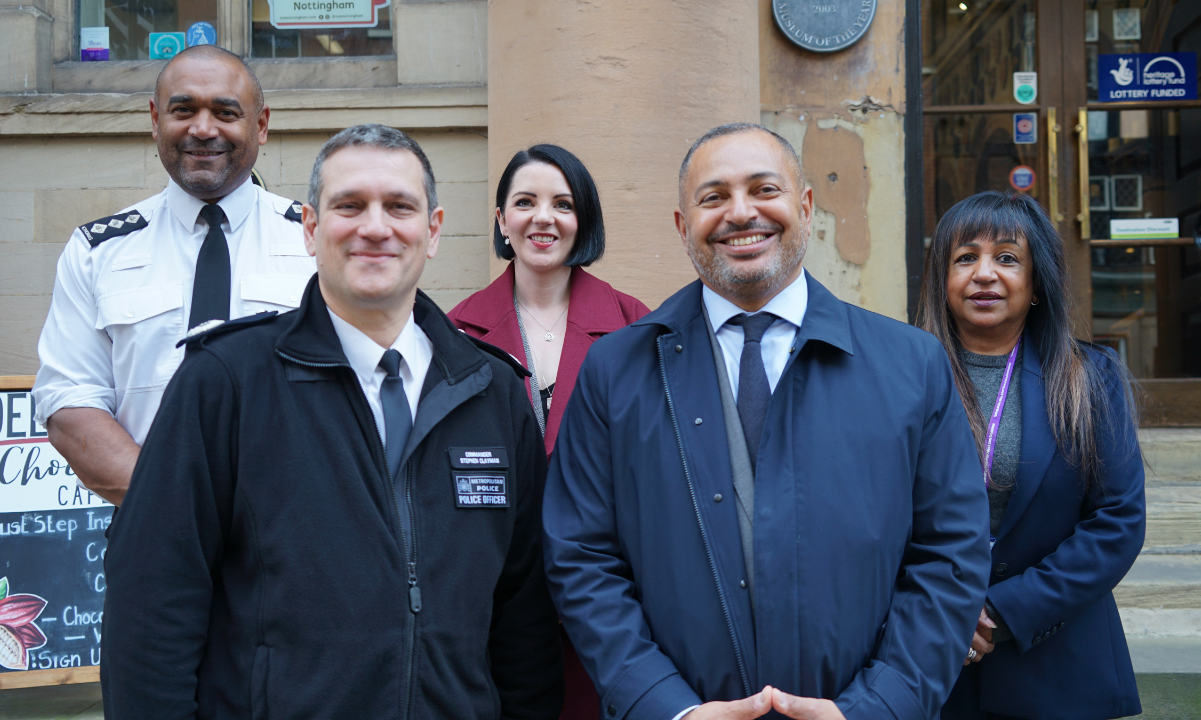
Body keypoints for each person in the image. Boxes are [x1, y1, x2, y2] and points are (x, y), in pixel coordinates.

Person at [100, 124, 563, 719]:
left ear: (434, 230)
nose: (376, 227)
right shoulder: (224, 382)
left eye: (400, 206)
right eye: (350, 206)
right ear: (312, 230)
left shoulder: (492, 392)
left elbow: (523, 617)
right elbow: (153, 602)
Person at [543, 122, 991, 720]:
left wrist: (880, 707)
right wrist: (663, 707)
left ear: (805, 207)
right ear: (683, 226)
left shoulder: (911, 365)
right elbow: (581, 556)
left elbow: (950, 556)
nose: (740, 213)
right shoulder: (616, 370)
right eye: (713, 197)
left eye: (764, 189)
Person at [31, 45, 315, 506]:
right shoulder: (96, 252)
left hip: (297, 536)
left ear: (260, 126)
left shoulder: (318, 245)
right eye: (183, 110)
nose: (203, 129)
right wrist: (170, 508)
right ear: (155, 119)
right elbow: (70, 402)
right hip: (151, 534)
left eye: (225, 112)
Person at [916, 191, 1145, 720]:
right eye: (965, 257)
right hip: (930, 656)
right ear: (941, 279)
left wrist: (1001, 610)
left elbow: (1119, 521)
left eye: (1007, 258)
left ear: (1036, 283)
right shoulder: (900, 377)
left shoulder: (1090, 377)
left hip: (1058, 662)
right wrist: (938, 610)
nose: (985, 274)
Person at [448, 144, 650, 718]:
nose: (544, 218)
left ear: (583, 218)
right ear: (501, 221)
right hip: (496, 605)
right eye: (525, 202)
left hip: (610, 602)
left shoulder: (636, 324)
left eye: (563, 204)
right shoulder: (455, 330)